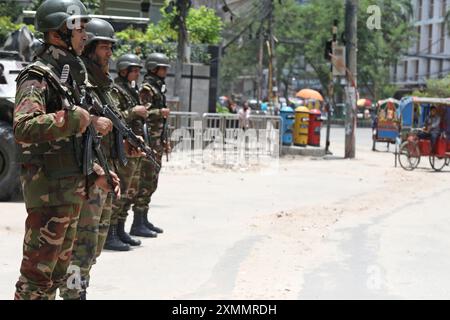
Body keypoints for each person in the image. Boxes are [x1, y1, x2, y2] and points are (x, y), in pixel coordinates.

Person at [13, 0, 116, 300]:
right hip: (48, 194)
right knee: (36, 279)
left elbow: (71, 141)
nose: (84, 35)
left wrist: (96, 173)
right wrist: (72, 119)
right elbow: (23, 127)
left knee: (58, 275)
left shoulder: (67, 76)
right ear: (61, 30)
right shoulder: (38, 75)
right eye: (80, 28)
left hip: (68, 190)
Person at [59, 18, 138, 300]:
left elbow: (114, 129)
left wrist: (125, 147)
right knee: (80, 246)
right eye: (105, 47)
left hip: (106, 173)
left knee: (93, 246)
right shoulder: (80, 82)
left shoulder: (106, 87)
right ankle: (72, 295)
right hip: (87, 175)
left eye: (110, 48)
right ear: (91, 48)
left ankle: (80, 291)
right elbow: (71, 129)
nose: (110, 54)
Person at [128, 53, 172, 238]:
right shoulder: (147, 88)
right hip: (148, 142)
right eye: (163, 68)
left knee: (152, 181)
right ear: (154, 68)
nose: (166, 71)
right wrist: (159, 112)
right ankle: (137, 223)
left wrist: (165, 140)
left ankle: (143, 219)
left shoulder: (158, 88)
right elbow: (143, 112)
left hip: (157, 141)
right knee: (145, 181)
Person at [109, 53, 148, 248]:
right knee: (121, 190)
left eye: (138, 70)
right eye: (134, 70)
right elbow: (116, 118)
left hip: (135, 147)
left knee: (130, 191)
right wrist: (134, 112)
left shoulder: (131, 90)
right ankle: (110, 233)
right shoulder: (116, 90)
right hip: (123, 147)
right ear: (124, 71)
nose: (137, 74)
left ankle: (120, 229)